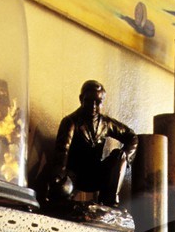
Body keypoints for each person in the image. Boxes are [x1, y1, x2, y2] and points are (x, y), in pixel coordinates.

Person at [47, 80, 138, 208]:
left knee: (120, 156)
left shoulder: (106, 123)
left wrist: (126, 155)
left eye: (98, 102)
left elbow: (131, 136)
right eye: (89, 100)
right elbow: (62, 151)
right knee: (60, 190)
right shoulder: (70, 122)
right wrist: (59, 176)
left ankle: (110, 203)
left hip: (96, 174)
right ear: (81, 99)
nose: (93, 106)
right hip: (74, 175)